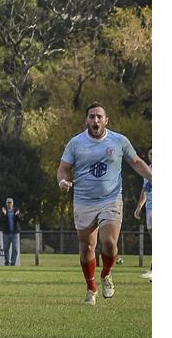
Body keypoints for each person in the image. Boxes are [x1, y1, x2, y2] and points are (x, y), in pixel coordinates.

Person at [56, 103, 152, 305]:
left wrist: (153, 177)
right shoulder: (76, 143)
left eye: (99, 117)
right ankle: (91, 289)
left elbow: (136, 162)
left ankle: (106, 274)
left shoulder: (119, 141)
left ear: (106, 120)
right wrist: (62, 181)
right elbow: (63, 168)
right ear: (86, 120)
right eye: (92, 117)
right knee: (87, 246)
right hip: (83, 200)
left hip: (111, 198)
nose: (95, 120)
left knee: (109, 243)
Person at [133, 146, 152, 280]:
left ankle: (152, 269)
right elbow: (145, 189)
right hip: (150, 208)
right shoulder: (147, 169)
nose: (152, 156)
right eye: (150, 153)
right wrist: (139, 206)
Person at [0, 198, 22, 266]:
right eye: (8, 203)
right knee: (6, 248)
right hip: (6, 233)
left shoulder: (16, 210)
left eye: (10, 203)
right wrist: (4, 214)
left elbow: (20, 219)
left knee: (15, 249)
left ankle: (13, 263)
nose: (9, 204)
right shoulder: (4, 210)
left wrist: (17, 215)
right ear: (6, 203)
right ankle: (7, 262)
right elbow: (1, 220)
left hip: (15, 233)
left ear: (12, 203)